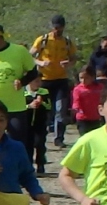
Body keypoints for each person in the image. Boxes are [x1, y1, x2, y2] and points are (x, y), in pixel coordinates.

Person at [0, 99, 49, 202]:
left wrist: (37, 193)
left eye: (1, 120)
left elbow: (27, 175)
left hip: (12, 202)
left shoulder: (16, 147)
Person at [30, 16, 78, 149]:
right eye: (55, 27)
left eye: (60, 27)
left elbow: (74, 59)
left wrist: (69, 63)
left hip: (61, 80)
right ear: (52, 26)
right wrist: (40, 62)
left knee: (60, 110)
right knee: (43, 110)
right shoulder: (42, 40)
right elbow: (30, 56)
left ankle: (59, 139)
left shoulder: (67, 42)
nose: (57, 30)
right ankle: (39, 138)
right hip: (44, 81)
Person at [70, 62, 105, 135]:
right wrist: (76, 108)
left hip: (95, 118)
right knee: (84, 137)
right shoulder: (78, 89)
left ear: (92, 77)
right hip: (82, 118)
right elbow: (76, 101)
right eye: (81, 78)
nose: (83, 80)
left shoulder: (99, 87)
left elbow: (104, 98)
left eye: (86, 78)